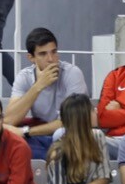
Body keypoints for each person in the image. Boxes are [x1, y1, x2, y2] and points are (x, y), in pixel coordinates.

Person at [8, 26, 89, 158]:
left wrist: (25, 131)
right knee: (7, 140)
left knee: (61, 134)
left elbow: (71, 121)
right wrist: (38, 86)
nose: (51, 59)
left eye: (54, 52)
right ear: (31, 57)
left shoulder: (72, 73)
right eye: (43, 54)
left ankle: (54, 163)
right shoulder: (24, 77)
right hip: (40, 137)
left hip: (71, 136)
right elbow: (9, 120)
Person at [41, 93, 115, 184]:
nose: (96, 111)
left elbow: (104, 178)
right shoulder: (57, 152)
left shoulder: (98, 137)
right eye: (92, 109)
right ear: (82, 118)